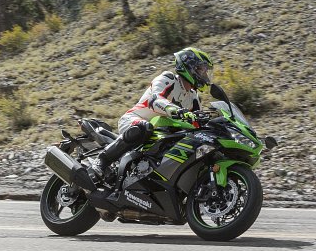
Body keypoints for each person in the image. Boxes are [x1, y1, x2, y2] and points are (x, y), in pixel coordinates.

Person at [71, 47, 214, 193]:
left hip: (161, 133)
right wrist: (174, 110)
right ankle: (101, 161)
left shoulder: (193, 98)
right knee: (145, 127)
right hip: (135, 120)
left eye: (205, 71)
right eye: (201, 70)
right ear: (189, 66)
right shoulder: (168, 79)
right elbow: (155, 99)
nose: (204, 75)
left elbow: (198, 123)